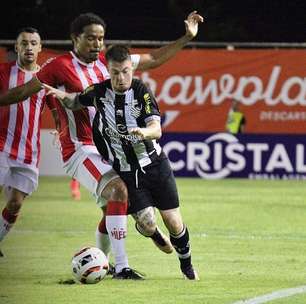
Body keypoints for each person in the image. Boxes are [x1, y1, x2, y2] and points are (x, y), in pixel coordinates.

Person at [0, 11, 203, 279]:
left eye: (101, 38)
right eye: (91, 38)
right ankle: (122, 267)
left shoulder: (110, 63)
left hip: (110, 150)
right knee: (119, 191)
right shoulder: (58, 66)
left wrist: (186, 37)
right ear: (75, 39)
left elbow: (153, 59)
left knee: (114, 208)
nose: (97, 44)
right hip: (80, 149)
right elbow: (25, 90)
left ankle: (104, 261)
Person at [44, 44, 199, 280]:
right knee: (147, 223)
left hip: (155, 166)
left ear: (132, 70)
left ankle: (187, 267)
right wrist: (63, 96)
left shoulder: (141, 92)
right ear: (108, 71)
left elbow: (156, 129)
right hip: (126, 172)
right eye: (115, 72)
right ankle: (147, 232)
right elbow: (77, 101)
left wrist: (145, 133)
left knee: (174, 222)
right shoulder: (99, 91)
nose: (121, 77)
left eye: (126, 71)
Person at [0, 27, 50, 258]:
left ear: (40, 47)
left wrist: (61, 129)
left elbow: (56, 107)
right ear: (16, 47)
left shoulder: (47, 78)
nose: (29, 47)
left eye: (33, 43)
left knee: (15, 204)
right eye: (24, 43)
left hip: (28, 151)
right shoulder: (3, 72)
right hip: (0, 145)